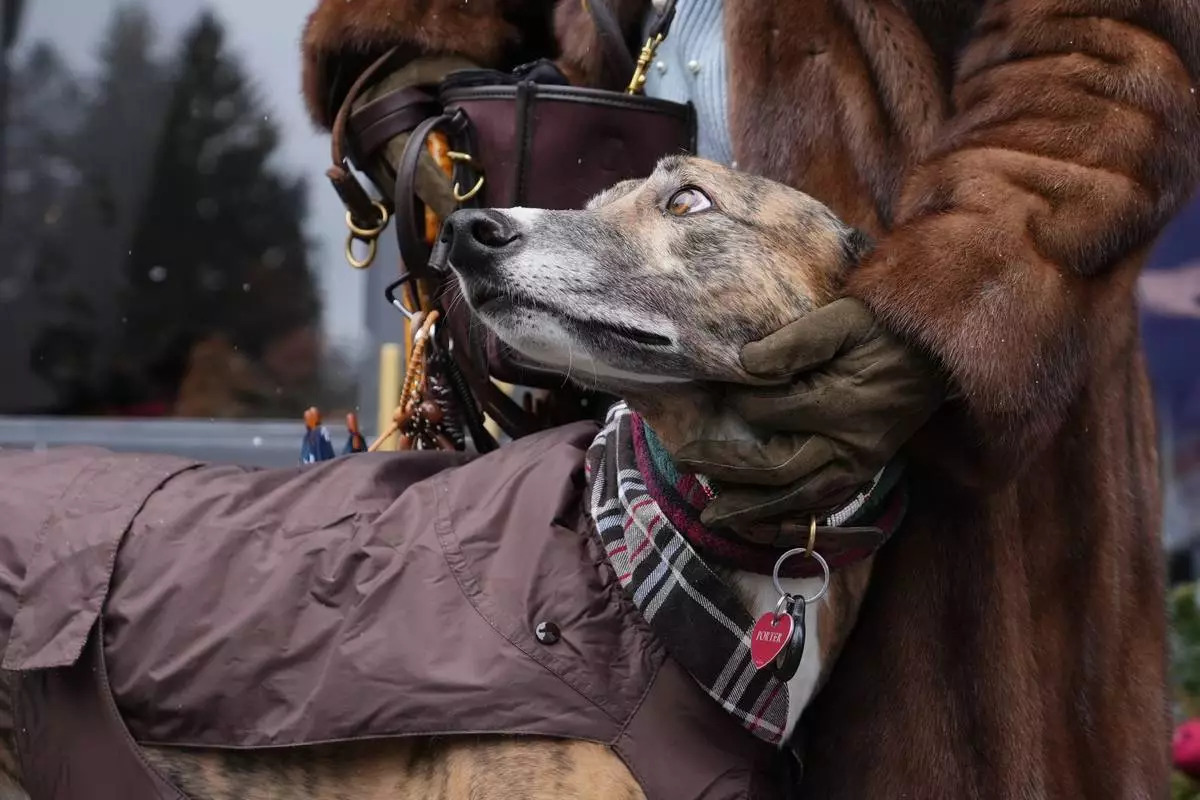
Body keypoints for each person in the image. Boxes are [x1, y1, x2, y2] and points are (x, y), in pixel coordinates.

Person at [298, 0, 1200, 797]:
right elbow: (424, 32)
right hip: (624, 483)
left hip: (949, 474)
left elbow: (1110, 58)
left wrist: (945, 311)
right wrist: (418, 77)